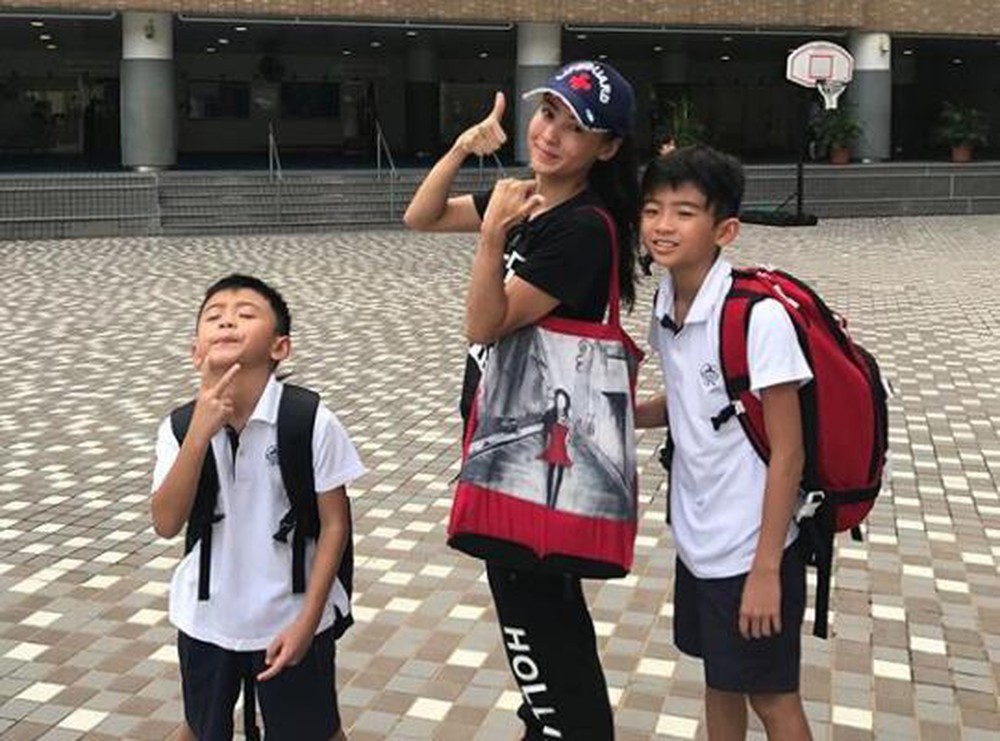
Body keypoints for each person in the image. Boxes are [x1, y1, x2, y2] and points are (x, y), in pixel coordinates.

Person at [404, 60, 640, 740]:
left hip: (536, 460)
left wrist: (490, 238)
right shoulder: (528, 199)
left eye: (576, 128)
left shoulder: (583, 228)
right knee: (541, 624)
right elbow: (420, 216)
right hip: (511, 448)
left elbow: (486, 323)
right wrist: (462, 148)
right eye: (548, 114)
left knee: (540, 630)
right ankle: (552, 724)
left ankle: (566, 728)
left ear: (607, 148)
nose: (551, 134)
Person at [635, 145, 814, 740]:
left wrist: (766, 568)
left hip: (752, 548)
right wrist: (621, 412)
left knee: (773, 696)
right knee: (721, 679)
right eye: (653, 209)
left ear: (725, 229)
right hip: (699, 541)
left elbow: (789, 452)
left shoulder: (759, 318)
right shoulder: (666, 302)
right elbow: (687, 402)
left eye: (684, 212)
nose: (663, 225)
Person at [151, 274, 364, 741]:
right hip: (207, 618)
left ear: (280, 347)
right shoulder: (180, 427)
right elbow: (165, 522)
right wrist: (200, 433)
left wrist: (308, 621)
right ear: (196, 351)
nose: (228, 320)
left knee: (316, 732)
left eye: (246, 314)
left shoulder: (310, 421)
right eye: (214, 316)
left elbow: (334, 525)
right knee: (199, 728)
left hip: (291, 614)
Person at [538, 388, 573, 508]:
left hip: (562, 449)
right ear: (556, 401)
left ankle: (554, 500)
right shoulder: (550, 413)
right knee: (550, 473)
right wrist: (545, 443)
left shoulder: (566, 416)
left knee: (559, 476)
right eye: (559, 400)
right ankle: (548, 500)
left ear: (565, 402)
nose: (560, 403)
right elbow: (544, 428)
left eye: (563, 401)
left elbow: (568, 435)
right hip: (552, 447)